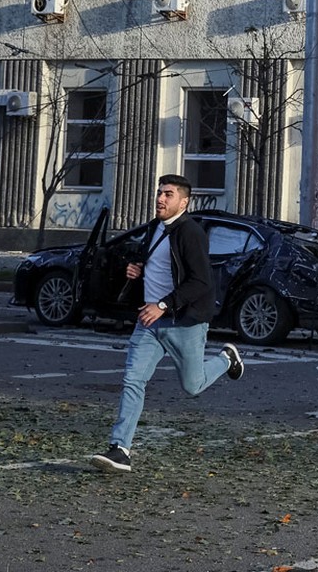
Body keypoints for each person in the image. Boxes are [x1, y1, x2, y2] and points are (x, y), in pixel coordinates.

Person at [90, 174, 244, 473]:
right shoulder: (154, 228)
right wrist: (137, 269)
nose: (160, 198)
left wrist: (163, 305)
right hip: (149, 323)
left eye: (168, 194)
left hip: (183, 322)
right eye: (159, 192)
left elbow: (200, 282)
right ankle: (120, 448)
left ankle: (226, 358)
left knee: (193, 386)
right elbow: (158, 266)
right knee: (133, 380)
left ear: (183, 202)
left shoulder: (191, 233)